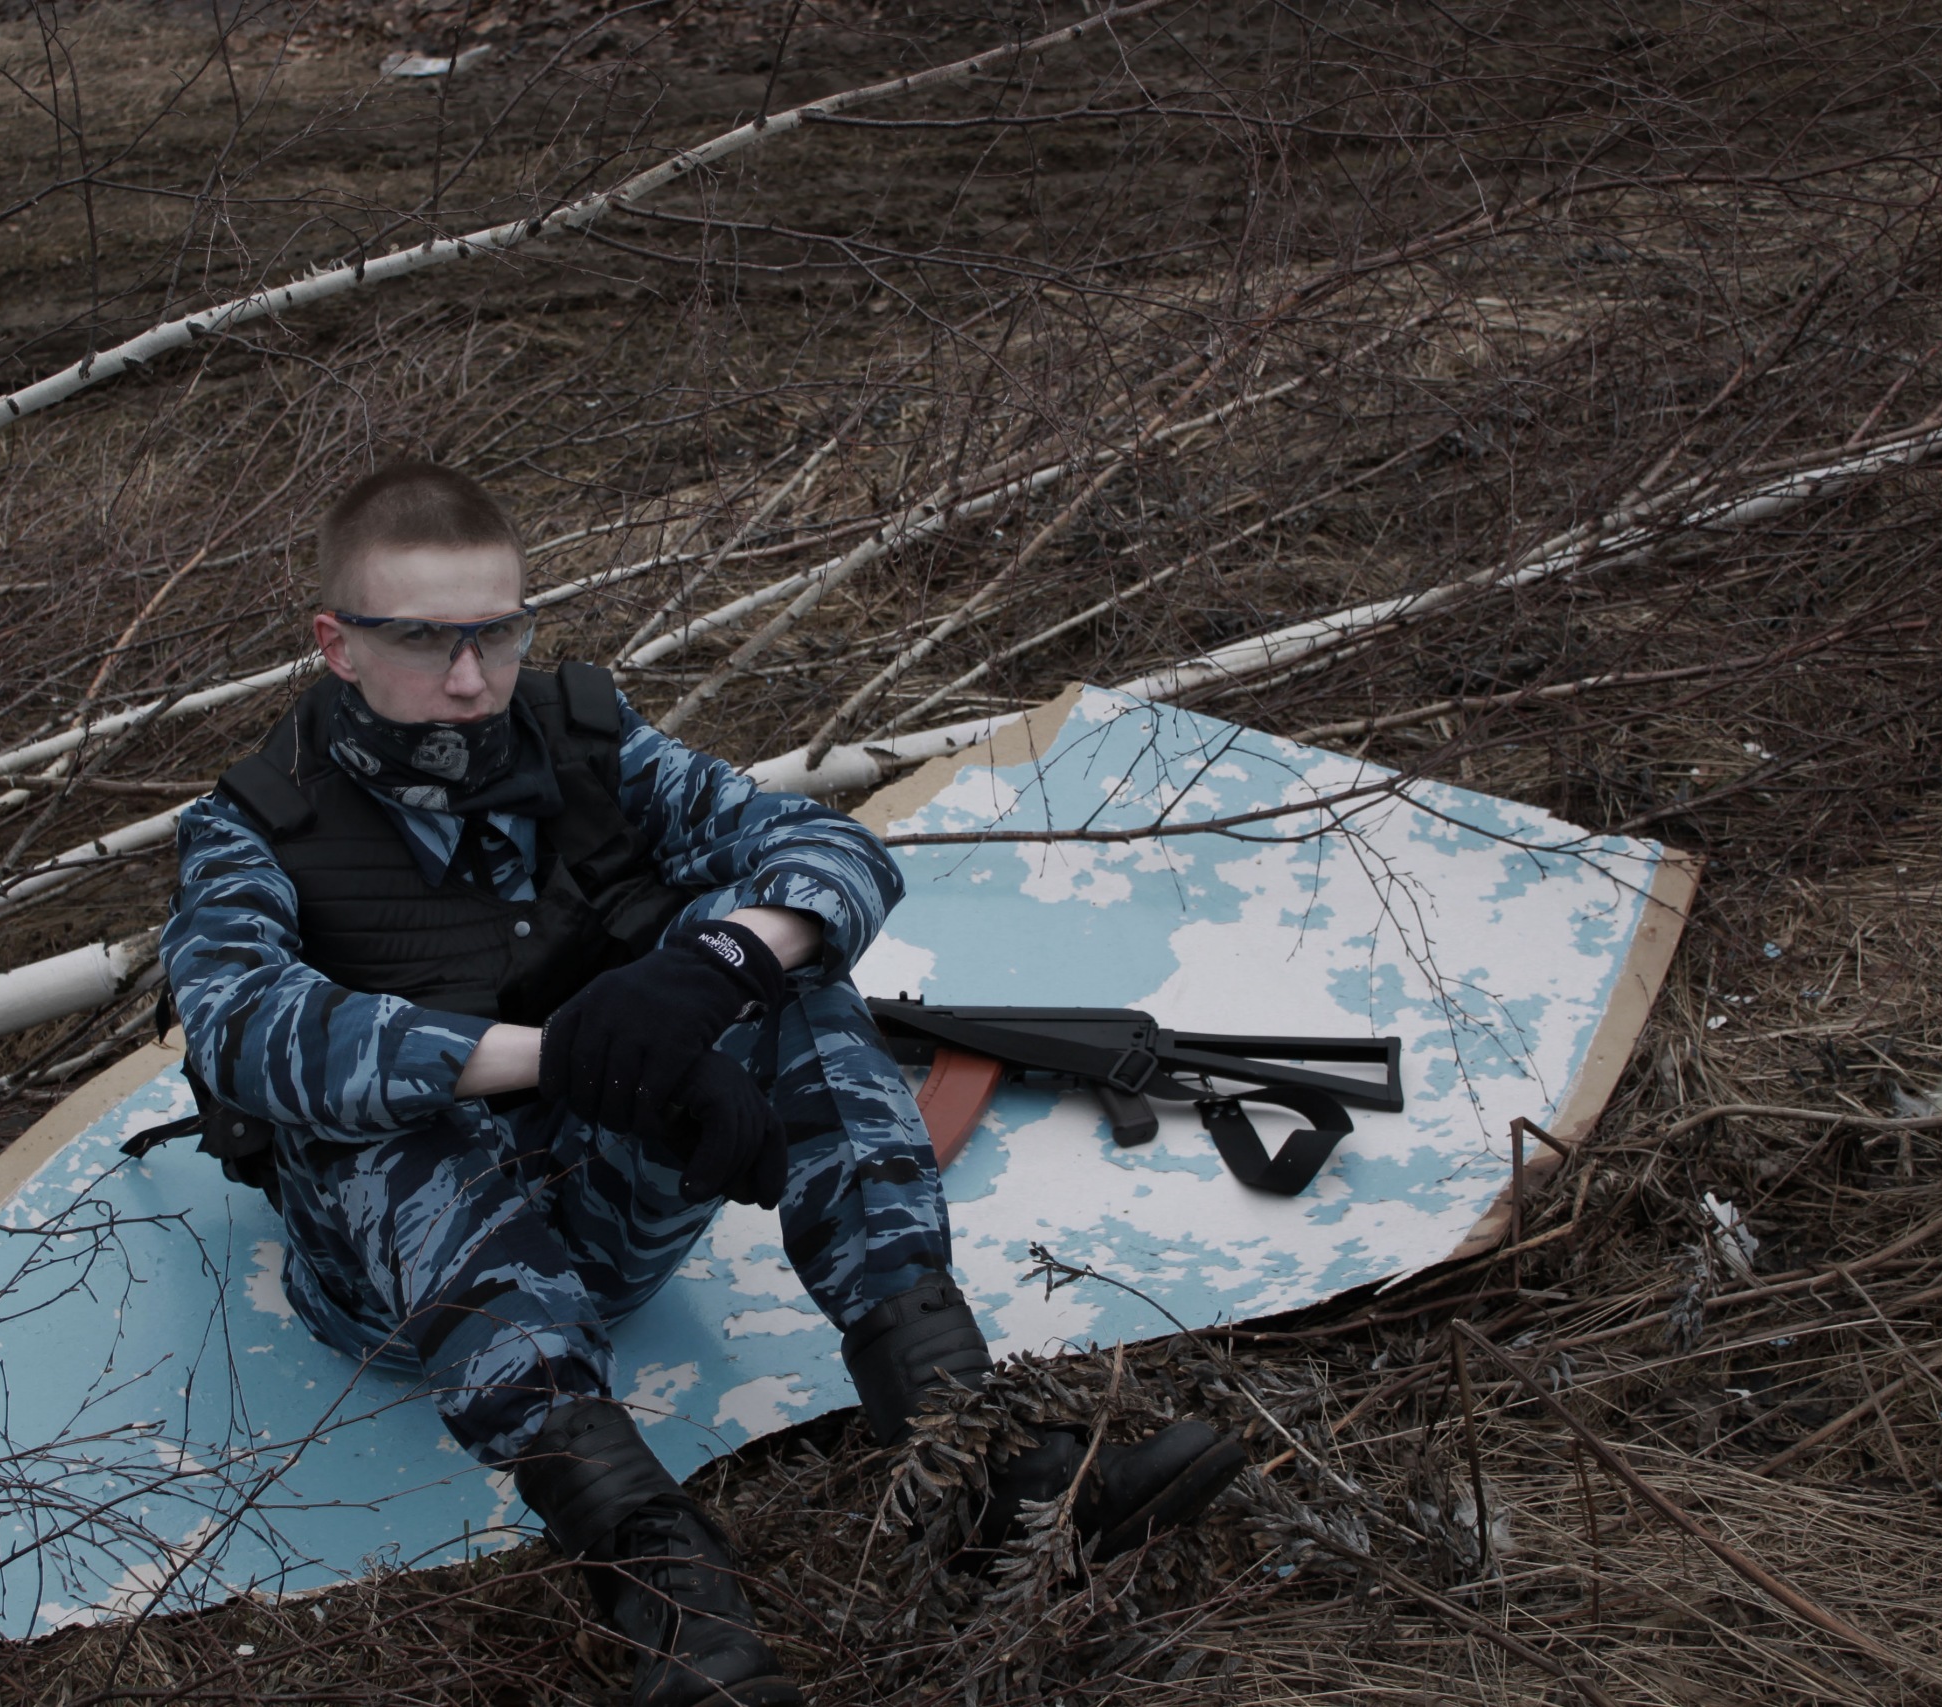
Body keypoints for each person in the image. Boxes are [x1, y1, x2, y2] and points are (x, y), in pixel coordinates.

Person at [159, 462, 1245, 1707]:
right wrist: (578, 1055)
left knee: (797, 980)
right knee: (392, 1126)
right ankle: (670, 1603)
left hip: (604, 1215)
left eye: (497, 634)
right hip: (402, 1290)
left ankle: (980, 1462)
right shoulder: (250, 827)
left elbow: (828, 848)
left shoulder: (584, 740)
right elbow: (248, 1032)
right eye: (421, 640)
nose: (468, 679)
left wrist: (714, 974)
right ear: (336, 643)